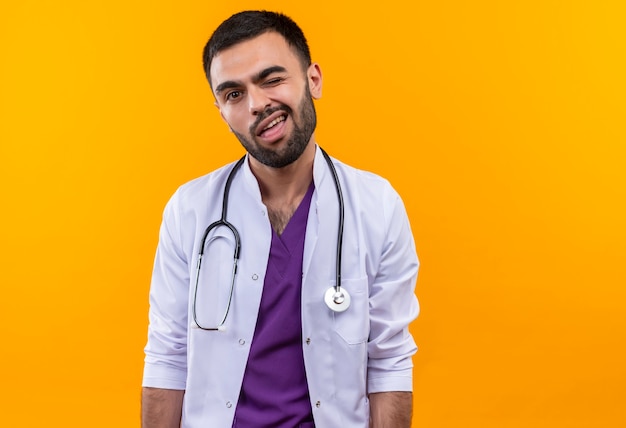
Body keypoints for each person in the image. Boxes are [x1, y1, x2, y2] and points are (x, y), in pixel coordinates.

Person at [141, 10, 420, 428]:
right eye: (233, 94)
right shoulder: (189, 211)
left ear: (313, 80)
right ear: (220, 111)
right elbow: (167, 356)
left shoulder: (376, 206)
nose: (257, 104)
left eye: (271, 79)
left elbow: (390, 361)